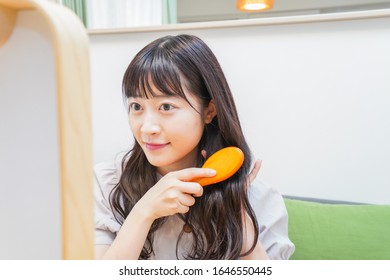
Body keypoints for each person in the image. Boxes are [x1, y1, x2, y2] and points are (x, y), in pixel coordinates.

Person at [94, 34, 295, 260]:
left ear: (209, 111)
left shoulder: (256, 197)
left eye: (166, 106)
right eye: (136, 106)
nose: (147, 127)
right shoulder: (106, 183)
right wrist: (143, 212)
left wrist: (241, 223)